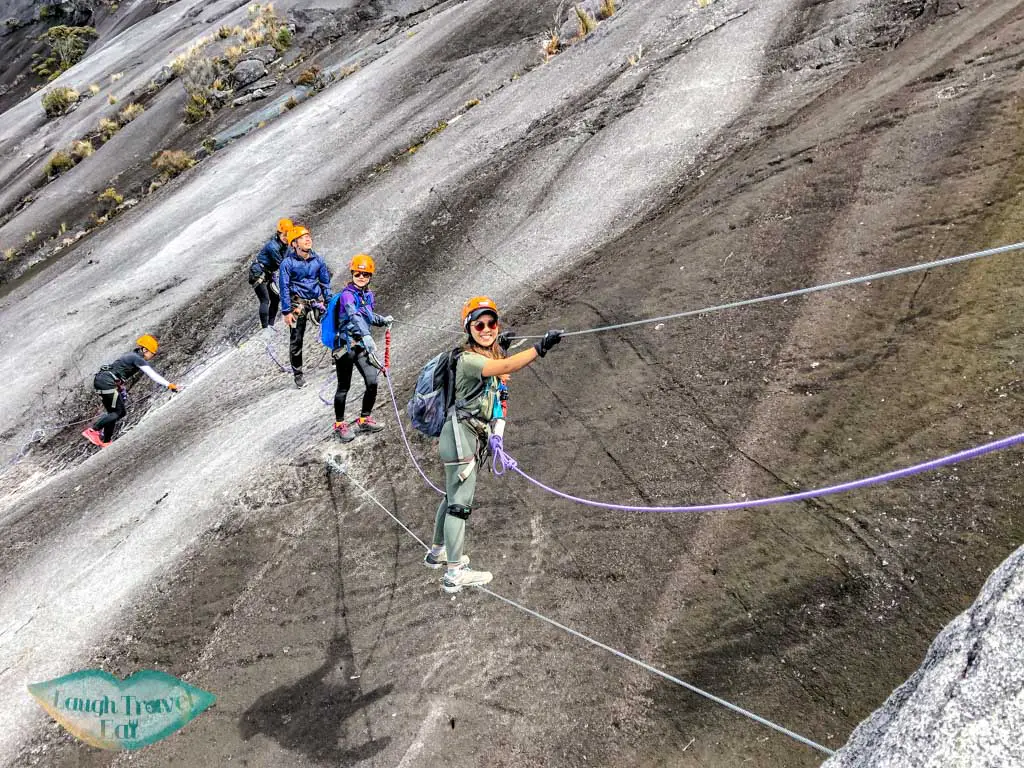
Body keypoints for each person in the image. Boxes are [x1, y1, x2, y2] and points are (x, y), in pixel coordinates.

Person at [425, 296, 562, 593]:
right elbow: (506, 366)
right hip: (461, 438)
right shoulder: (469, 360)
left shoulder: (483, 355)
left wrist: (502, 346)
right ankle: (454, 573)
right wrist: (540, 348)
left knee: (451, 498)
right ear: (469, 328)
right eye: (480, 324)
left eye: (492, 323)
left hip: (462, 436)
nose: (487, 328)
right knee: (459, 506)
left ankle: (438, 553)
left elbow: (499, 369)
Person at [327, 254, 394, 442]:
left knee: (372, 381)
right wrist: (366, 335)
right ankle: (340, 424)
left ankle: (364, 418)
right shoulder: (347, 295)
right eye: (358, 273)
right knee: (344, 386)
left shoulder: (367, 294)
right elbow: (354, 315)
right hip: (345, 347)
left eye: (365, 274)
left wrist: (382, 320)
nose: (361, 277)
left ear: (370, 276)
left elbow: (367, 315)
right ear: (352, 273)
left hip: (360, 345)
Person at [82, 334, 179, 447]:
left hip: (103, 381)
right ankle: (92, 431)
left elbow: (117, 371)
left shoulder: (132, 356)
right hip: (106, 382)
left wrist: (118, 386)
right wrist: (170, 385)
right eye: (152, 353)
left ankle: (106, 440)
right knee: (119, 412)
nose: (152, 356)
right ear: (144, 349)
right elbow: (152, 374)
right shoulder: (137, 358)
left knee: (113, 412)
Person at [279, 224, 332, 388]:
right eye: (302, 237)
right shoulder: (287, 264)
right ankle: (298, 374)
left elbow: (325, 282)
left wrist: (329, 302)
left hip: (316, 301)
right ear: (294, 243)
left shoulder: (318, 260)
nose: (307, 239)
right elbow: (284, 287)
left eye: (308, 236)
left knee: (333, 325)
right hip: (298, 304)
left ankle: (337, 356)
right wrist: (286, 311)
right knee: (296, 339)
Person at [248, 217, 292, 330]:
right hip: (258, 273)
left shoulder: (284, 246)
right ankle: (265, 328)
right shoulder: (273, 247)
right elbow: (282, 264)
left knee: (276, 298)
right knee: (265, 300)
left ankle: (270, 325)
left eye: (288, 235)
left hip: (267, 274)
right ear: (279, 234)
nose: (286, 238)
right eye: (284, 235)